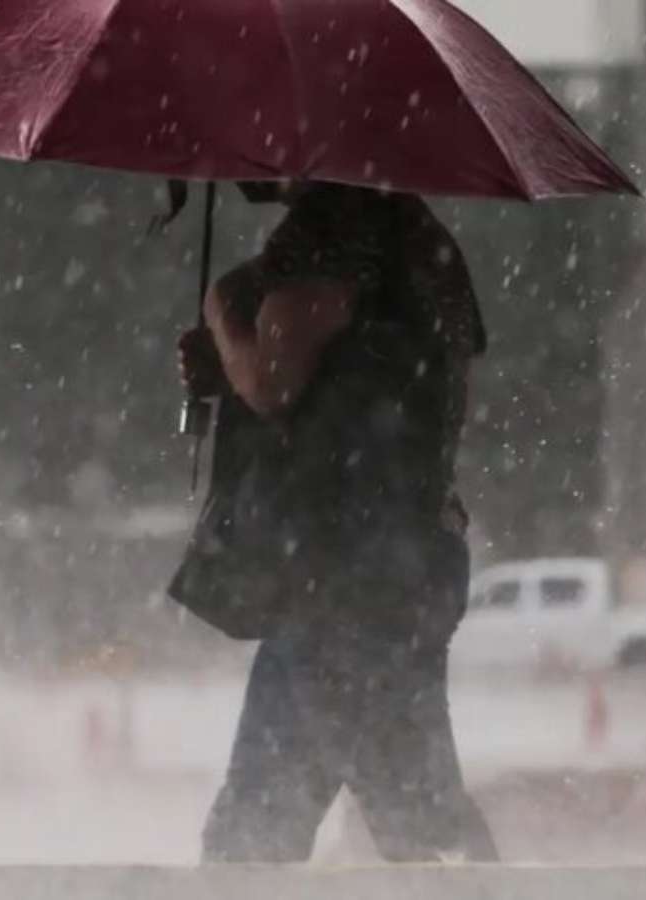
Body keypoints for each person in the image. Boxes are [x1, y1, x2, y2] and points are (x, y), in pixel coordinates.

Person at [176, 181, 499, 863]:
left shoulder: (335, 229)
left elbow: (272, 380)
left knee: (392, 820)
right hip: (400, 559)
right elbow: (414, 396)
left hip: (340, 572)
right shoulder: (420, 240)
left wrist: (224, 314)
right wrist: (231, 360)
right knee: (385, 812)